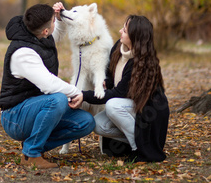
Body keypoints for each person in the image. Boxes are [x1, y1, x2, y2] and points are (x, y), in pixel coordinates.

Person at [0, 3, 95, 169]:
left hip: (36, 108)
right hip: (14, 116)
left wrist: (60, 17)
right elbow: (49, 84)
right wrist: (76, 92)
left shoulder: (36, 34)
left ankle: (33, 144)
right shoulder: (23, 53)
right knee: (57, 100)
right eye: (53, 22)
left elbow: (55, 33)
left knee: (86, 122)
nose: (54, 24)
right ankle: (31, 154)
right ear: (45, 31)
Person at [69, 15, 169, 163]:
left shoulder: (140, 63)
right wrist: (107, 82)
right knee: (97, 124)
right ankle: (138, 141)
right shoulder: (118, 48)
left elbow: (117, 94)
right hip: (129, 107)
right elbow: (111, 74)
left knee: (112, 105)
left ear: (135, 37)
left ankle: (139, 149)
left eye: (125, 30)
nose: (120, 31)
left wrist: (83, 95)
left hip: (147, 111)